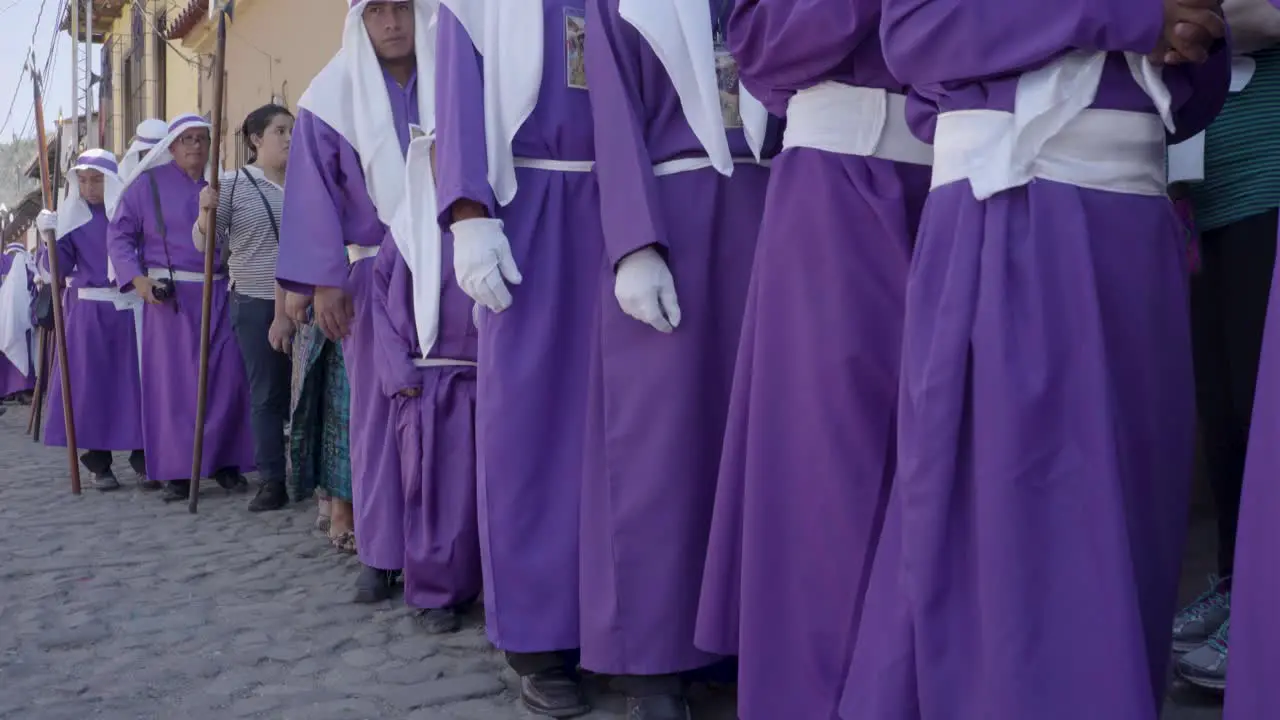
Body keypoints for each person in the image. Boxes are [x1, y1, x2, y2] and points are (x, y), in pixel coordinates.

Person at [837, 1, 1232, 719]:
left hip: (1135, 226)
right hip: (1017, 209)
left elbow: (1193, 95)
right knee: (1020, 522)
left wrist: (1196, 34)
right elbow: (918, 33)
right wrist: (1122, 15)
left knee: (1137, 518)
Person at [692, 1, 933, 718]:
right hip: (838, 184)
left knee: (946, 466)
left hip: (973, 182)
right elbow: (763, 46)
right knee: (829, 473)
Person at [579, 1, 772, 715]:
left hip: (771, 205)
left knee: (755, 441)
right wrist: (633, 241)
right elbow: (612, 115)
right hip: (674, 224)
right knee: (659, 452)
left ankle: (741, 639)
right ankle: (654, 661)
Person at [436, 0, 601, 714]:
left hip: (631, 198)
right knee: (531, 429)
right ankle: (538, 639)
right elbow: (458, 95)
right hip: (527, 204)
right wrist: (469, 213)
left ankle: (620, 625)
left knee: (626, 428)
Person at [278, 0, 436, 603]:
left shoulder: (453, 74)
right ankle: (381, 550)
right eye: (377, 12)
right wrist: (324, 282)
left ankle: (448, 554)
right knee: (374, 415)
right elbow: (313, 189)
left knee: (450, 411)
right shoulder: (328, 96)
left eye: (402, 7)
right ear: (358, 21)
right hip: (371, 274)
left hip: (449, 266)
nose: (392, 22)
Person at [1170, 0, 1280, 689]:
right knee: (1223, 408)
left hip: (1271, 175)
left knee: (1260, 406)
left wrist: (1189, 24)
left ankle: (1267, 605)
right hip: (1209, 186)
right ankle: (1243, 583)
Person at [107, 113, 256, 503]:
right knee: (173, 386)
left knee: (225, 379)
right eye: (187, 139)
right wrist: (139, 281)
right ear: (171, 146)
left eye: (202, 138)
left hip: (220, 292)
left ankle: (224, 462)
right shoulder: (146, 187)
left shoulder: (222, 185)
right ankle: (176, 470)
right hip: (168, 299)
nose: (195, 146)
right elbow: (120, 236)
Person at [371, 227, 482, 633]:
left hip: (488, 374)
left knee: (485, 493)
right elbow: (380, 300)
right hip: (428, 379)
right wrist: (399, 372)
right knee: (434, 491)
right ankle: (437, 592)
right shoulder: (405, 227)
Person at [194, 104, 295, 512]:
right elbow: (205, 246)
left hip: (307, 300)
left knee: (309, 394)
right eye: (280, 131)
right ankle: (272, 480)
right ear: (256, 140)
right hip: (256, 301)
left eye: (292, 130)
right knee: (267, 394)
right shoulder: (233, 184)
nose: (289, 138)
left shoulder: (308, 182)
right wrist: (205, 211)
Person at [33, 150, 146, 492]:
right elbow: (57, 270)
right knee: (92, 388)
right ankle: (99, 463)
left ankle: (144, 458)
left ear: (111, 180)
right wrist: (48, 238)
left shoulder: (129, 213)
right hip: (89, 313)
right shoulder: (72, 220)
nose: (89, 187)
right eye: (82, 180)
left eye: (96, 179)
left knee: (135, 387)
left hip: (129, 310)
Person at [0, 241, 35, 401]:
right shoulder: (25, 262)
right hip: (18, 313)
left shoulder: (7, 261)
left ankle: (10, 390)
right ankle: (20, 389)